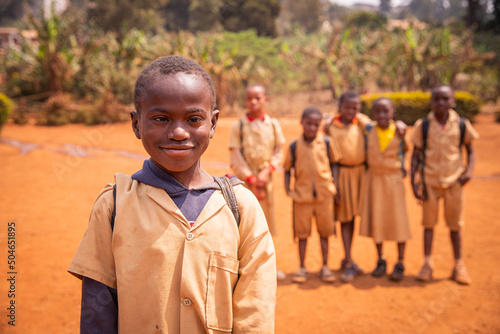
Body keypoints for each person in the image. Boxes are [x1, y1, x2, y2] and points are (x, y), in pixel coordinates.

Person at [68, 55, 277, 333]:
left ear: (213, 123)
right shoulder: (114, 207)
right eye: (161, 118)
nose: (178, 132)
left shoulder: (240, 207)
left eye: (193, 119)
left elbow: (256, 315)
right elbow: (97, 315)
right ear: (136, 124)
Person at [410, 84, 478, 285]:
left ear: (452, 101)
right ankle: (427, 264)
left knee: (455, 226)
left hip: (454, 183)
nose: (441, 103)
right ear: (431, 102)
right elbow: (415, 156)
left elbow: (470, 150)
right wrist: (414, 185)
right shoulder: (422, 125)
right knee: (428, 225)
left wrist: (470, 172)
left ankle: (459, 265)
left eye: (445, 99)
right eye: (437, 99)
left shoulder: (461, 124)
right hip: (429, 183)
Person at [283, 107, 339, 283]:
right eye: (309, 124)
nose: (312, 128)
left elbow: (335, 164)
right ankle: (302, 267)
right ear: (302, 123)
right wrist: (288, 189)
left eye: (316, 124)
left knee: (325, 232)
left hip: (324, 197)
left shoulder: (327, 143)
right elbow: (286, 169)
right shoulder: (294, 146)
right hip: (302, 198)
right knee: (302, 234)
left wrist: (334, 185)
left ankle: (325, 266)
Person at [359, 98, 411, 282]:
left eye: (386, 111)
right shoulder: (367, 130)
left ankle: (400, 262)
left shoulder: (399, 130)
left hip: (394, 180)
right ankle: (380, 259)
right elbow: (352, 113)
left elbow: (406, 149)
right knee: (377, 219)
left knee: (399, 220)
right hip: (374, 179)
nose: (382, 115)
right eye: (378, 111)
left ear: (393, 112)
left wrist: (401, 125)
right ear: (372, 114)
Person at [229, 84, 286, 236]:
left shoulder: (273, 125)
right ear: (245, 101)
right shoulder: (239, 126)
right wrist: (252, 179)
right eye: (249, 98)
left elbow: (278, 151)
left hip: (266, 179)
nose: (253, 102)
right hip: (245, 180)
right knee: (245, 218)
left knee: (266, 217)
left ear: (265, 100)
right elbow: (236, 155)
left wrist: (266, 172)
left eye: (257, 98)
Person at [326, 90, 370, 283]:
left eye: (355, 107)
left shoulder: (361, 124)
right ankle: (349, 259)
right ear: (339, 106)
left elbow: (378, 127)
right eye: (347, 107)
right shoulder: (330, 126)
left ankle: (348, 259)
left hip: (361, 174)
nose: (351, 110)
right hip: (341, 174)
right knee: (345, 218)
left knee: (354, 217)